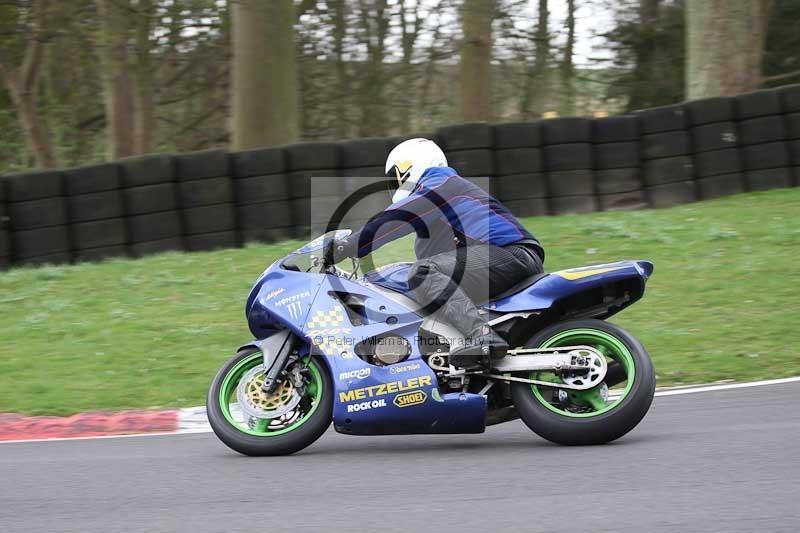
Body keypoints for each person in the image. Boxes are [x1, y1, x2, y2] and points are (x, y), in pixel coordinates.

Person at [327, 138, 544, 369]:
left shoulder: (440, 185)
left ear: (408, 167)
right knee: (419, 277)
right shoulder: (438, 207)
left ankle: (482, 337)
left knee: (422, 273)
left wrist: (344, 247)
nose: (393, 185)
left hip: (510, 254)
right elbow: (431, 253)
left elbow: (392, 221)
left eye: (394, 176)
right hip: (501, 257)